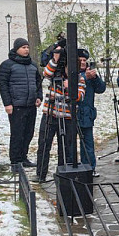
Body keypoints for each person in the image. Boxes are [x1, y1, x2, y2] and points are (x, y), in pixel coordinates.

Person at [35, 46, 86, 182]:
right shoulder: (56, 73)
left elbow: (80, 96)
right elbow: (46, 73)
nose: (69, 71)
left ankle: (63, 175)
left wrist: (70, 86)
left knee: (65, 147)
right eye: (67, 68)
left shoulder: (79, 78)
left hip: (68, 117)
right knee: (44, 144)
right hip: (50, 114)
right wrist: (55, 58)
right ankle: (40, 174)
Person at [0, 38, 42, 168]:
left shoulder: (33, 65)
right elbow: (3, 85)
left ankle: (24, 158)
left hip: (31, 105)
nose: (26, 50)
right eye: (23, 47)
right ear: (16, 49)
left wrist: (38, 96)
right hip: (16, 105)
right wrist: (7, 104)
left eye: (27, 47)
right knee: (17, 134)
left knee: (28, 133)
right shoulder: (7, 65)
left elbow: (38, 83)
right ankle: (15, 161)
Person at [76, 49, 106, 176]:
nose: (83, 62)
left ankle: (89, 167)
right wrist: (84, 77)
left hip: (87, 113)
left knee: (88, 143)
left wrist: (95, 77)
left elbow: (101, 89)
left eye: (84, 60)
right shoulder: (72, 73)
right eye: (80, 60)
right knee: (70, 143)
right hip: (73, 112)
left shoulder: (90, 75)